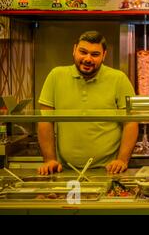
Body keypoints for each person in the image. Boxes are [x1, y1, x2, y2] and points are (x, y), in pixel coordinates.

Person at [37, 30, 138, 175]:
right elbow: (45, 121)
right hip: (65, 170)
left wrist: (122, 160)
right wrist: (49, 159)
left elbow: (131, 122)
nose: (88, 59)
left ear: (104, 55)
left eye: (95, 54)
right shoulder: (55, 76)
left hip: (109, 170)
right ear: (74, 50)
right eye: (83, 52)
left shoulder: (118, 79)